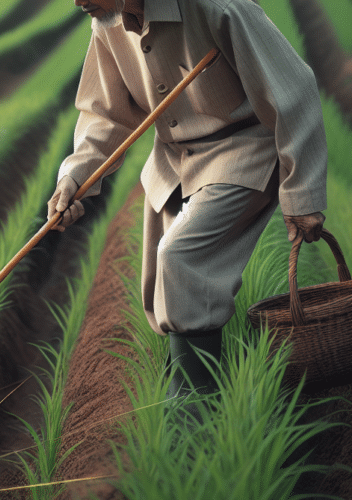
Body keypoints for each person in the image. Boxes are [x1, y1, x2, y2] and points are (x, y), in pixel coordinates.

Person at [47, 0, 327, 404]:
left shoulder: (217, 7)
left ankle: (194, 407)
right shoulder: (108, 20)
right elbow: (105, 114)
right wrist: (75, 178)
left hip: (241, 148)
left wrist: (302, 193)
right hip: (174, 160)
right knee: (157, 286)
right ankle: (188, 373)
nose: (78, 2)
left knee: (180, 257)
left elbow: (293, 90)